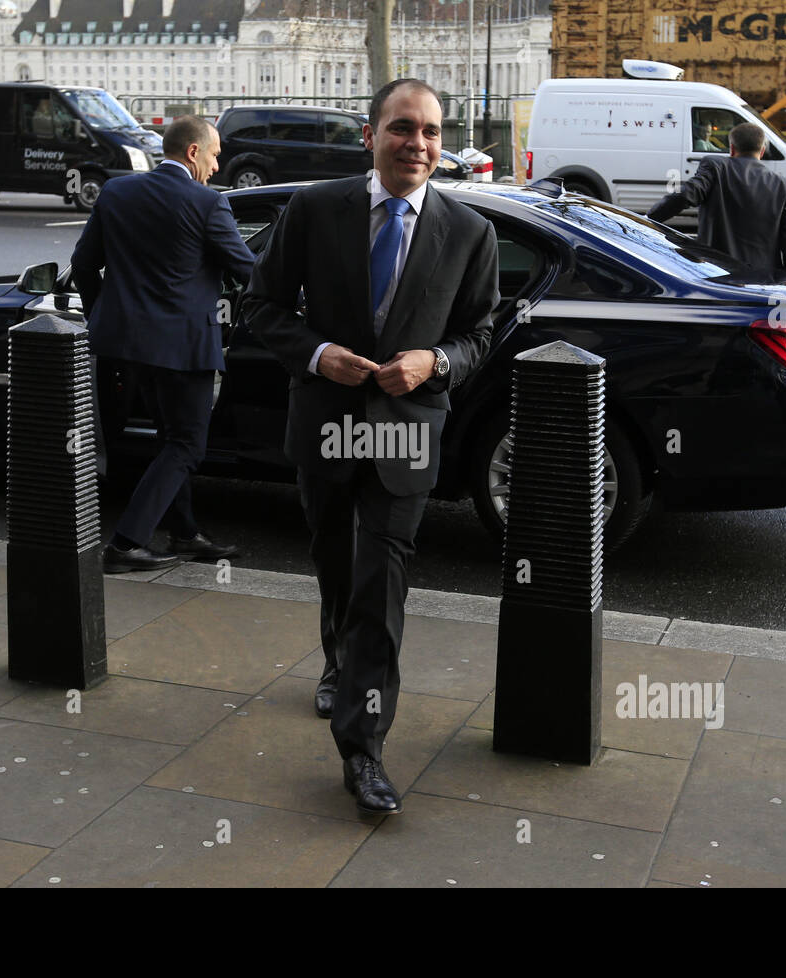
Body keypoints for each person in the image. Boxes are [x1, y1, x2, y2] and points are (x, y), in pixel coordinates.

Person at [241, 79, 499, 816]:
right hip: (326, 420)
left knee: (381, 588)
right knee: (332, 560)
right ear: (371, 134)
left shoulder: (470, 233)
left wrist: (436, 363)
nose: (418, 144)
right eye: (402, 129)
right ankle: (335, 659)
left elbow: (481, 333)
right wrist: (317, 352)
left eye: (431, 132)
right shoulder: (316, 209)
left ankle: (364, 749)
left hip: (406, 428)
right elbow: (261, 304)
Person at [72, 115, 254, 574]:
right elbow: (248, 272)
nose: (216, 167)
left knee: (169, 439)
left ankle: (185, 533)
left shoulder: (116, 192)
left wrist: (103, 317)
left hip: (125, 346)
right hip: (184, 348)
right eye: (214, 156)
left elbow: (82, 264)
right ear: (192, 152)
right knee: (187, 447)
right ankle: (126, 544)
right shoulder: (207, 203)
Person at [649, 121, 786, 279]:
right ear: (762, 151)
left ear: (731, 148)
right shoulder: (785, 185)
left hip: (715, 273)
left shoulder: (715, 167)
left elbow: (684, 196)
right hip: (761, 279)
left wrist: (647, 220)